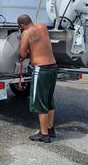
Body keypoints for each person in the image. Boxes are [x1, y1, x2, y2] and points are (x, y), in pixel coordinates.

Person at [18, 14, 58, 143]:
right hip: (52, 67)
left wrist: (25, 52)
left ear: (22, 25)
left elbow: (23, 54)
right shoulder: (42, 26)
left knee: (40, 103)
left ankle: (43, 134)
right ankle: (50, 129)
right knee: (49, 101)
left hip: (41, 69)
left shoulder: (26, 33)